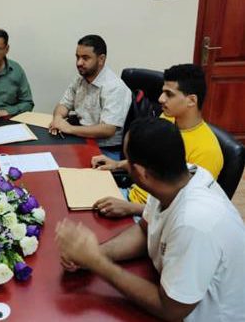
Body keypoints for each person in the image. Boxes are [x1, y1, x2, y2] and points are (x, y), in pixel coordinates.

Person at [56, 117, 245, 322]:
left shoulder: (194, 222)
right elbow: (145, 230)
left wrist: (97, 263)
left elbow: (170, 309)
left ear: (141, 173)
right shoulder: (173, 176)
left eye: (129, 161)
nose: (125, 165)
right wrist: (96, 253)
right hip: (168, 287)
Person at [92, 64, 223, 217]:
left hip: (146, 214)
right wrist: (117, 164)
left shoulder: (207, 151)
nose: (161, 99)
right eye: (162, 92)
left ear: (191, 101)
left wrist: (130, 208)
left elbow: (185, 210)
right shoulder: (168, 119)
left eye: (169, 94)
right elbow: (152, 164)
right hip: (131, 196)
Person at [49, 35, 131, 156]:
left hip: (105, 149)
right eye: (77, 57)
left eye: (85, 58)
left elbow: (107, 130)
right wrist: (58, 118)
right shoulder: (80, 79)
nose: (79, 63)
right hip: (81, 139)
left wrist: (69, 129)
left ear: (101, 59)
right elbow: (63, 104)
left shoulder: (114, 87)